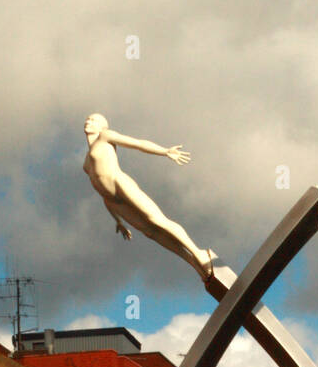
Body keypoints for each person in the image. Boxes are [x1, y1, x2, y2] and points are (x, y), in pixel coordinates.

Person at [83, 113, 217, 279]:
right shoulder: (86, 163)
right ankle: (193, 263)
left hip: (121, 184)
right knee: (150, 232)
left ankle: (199, 253)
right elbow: (101, 191)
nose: (88, 121)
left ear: (103, 127)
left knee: (157, 220)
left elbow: (138, 144)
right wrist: (118, 221)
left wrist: (165, 151)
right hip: (113, 201)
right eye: (88, 119)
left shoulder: (105, 136)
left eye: (94, 119)